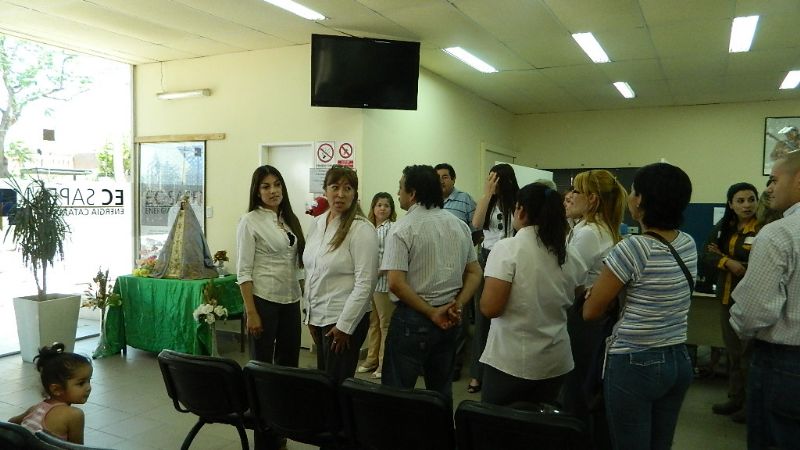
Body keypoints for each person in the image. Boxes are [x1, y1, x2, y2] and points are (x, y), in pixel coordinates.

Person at [583, 162, 696, 450]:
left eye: (633, 191)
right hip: (678, 357)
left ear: (642, 200)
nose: (630, 197)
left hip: (635, 361)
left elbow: (591, 311)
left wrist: (595, 293)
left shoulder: (633, 248)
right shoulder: (688, 242)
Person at [381, 164, 482, 409]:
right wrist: (457, 305)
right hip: (450, 319)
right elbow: (475, 272)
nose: (397, 195)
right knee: (440, 393)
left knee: (396, 394)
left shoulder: (402, 228)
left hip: (412, 321)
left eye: (400, 189)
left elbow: (395, 283)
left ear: (412, 193)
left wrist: (430, 312)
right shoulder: (459, 226)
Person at [479, 183, 586, 406]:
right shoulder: (570, 254)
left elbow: (490, 308)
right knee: (540, 432)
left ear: (521, 210)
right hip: (555, 360)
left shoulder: (507, 248)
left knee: (498, 429)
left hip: (512, 360)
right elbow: (578, 296)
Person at [729, 150, 800, 449]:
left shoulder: (778, 234)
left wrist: (742, 330)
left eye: (774, 180)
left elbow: (754, 312)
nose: (768, 189)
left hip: (784, 363)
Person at [303, 166, 379, 384]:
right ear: (325, 191)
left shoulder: (361, 229)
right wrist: (309, 315)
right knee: (324, 385)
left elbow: (366, 283)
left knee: (336, 386)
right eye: (335, 187)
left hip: (343, 321)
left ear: (355, 193)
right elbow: (312, 270)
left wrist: (345, 326)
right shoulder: (317, 223)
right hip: (319, 318)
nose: (341, 194)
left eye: (348, 188)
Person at [563, 169, 627, 417]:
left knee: (576, 386)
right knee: (584, 381)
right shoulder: (600, 228)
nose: (570, 196)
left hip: (581, 315)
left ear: (592, 199)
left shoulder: (588, 233)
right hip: (594, 317)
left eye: (576, 191)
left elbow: (569, 279)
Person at [236, 165, 305, 367]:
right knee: (261, 363)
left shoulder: (289, 219)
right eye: (266, 187)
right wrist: (251, 312)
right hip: (263, 300)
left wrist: (306, 298)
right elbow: (244, 271)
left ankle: (283, 399)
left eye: (277, 185)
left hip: (291, 300)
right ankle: (260, 399)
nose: (273, 191)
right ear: (257, 192)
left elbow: (297, 264)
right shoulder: (249, 221)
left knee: (290, 360)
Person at [703, 182, 759, 422]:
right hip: (727, 299)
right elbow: (706, 253)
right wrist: (728, 262)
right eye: (740, 200)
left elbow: (763, 262)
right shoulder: (724, 226)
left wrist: (730, 259)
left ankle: (751, 404)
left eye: (751, 199)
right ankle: (735, 398)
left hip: (751, 301)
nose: (746, 205)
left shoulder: (765, 228)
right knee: (734, 353)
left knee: (749, 355)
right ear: (730, 205)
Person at [467, 163, 519, 394]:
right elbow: (476, 224)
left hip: (511, 256)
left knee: (507, 316)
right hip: (487, 257)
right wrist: (487, 194)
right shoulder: (486, 200)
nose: (490, 182)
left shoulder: (517, 201)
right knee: (483, 319)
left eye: (494, 179)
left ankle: (504, 370)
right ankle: (478, 374)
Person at [434, 162, 478, 381]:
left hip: (460, 268)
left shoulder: (465, 200)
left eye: (445, 177)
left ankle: (455, 364)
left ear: (453, 179)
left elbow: (477, 230)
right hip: (435, 269)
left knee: (457, 315)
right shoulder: (430, 201)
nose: (441, 181)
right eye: (438, 177)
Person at [9, 343, 92, 444]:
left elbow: (10, 424)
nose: (88, 387)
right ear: (56, 389)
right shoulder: (74, 415)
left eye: (89, 381)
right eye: (81, 383)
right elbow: (77, 448)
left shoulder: (35, 408)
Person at [356, 192, 398, 379]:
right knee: (372, 323)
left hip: (382, 284)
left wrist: (376, 273)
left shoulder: (392, 229)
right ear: (373, 207)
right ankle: (371, 359)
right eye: (379, 205)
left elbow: (390, 256)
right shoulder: (368, 227)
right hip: (368, 285)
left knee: (385, 325)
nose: (382, 208)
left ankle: (383, 363)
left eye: (387, 205)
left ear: (391, 210)